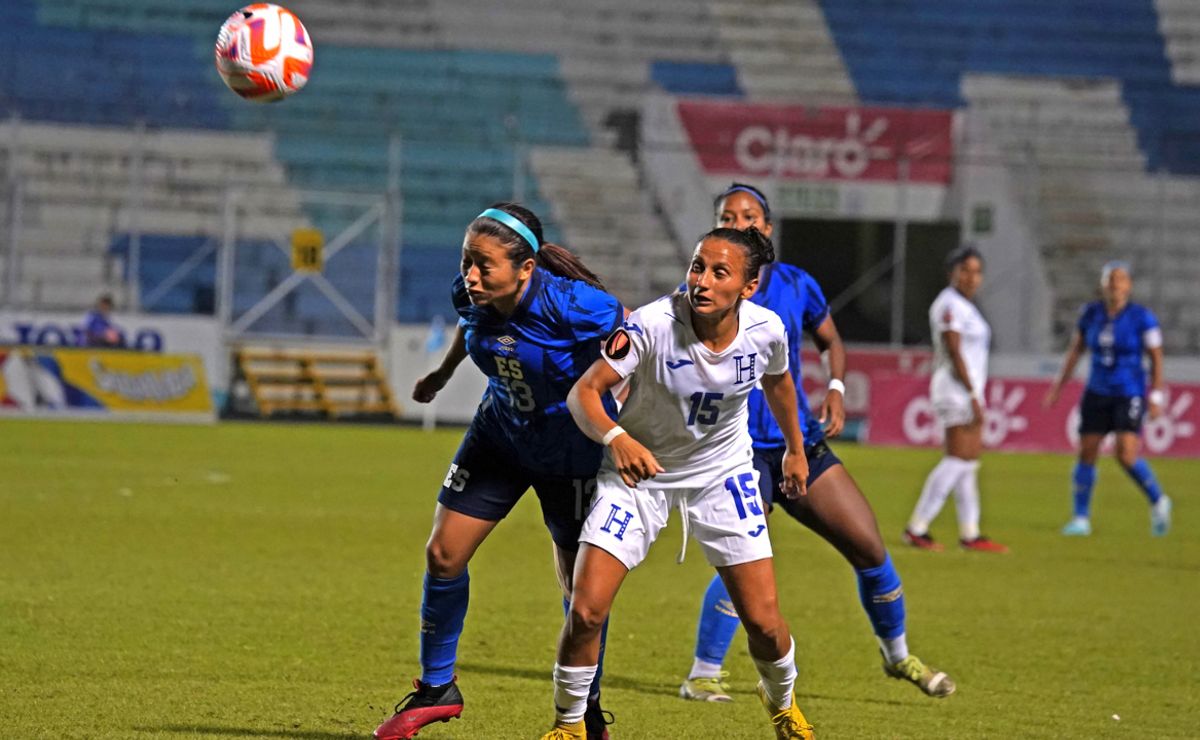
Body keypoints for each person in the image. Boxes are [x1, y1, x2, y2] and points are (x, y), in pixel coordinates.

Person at [679, 183, 954, 705]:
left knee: (870, 546)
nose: (741, 223)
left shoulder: (797, 285)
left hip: (797, 441)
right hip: (736, 450)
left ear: (768, 226)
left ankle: (897, 657)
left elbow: (830, 341)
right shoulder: (702, 288)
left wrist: (835, 387)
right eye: (728, 216)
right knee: (745, 558)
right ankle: (702, 673)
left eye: (750, 215)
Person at [543, 227, 815, 740]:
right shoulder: (650, 325)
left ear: (748, 287)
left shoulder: (767, 330)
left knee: (764, 622)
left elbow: (779, 381)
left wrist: (796, 450)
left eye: (719, 272)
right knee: (585, 608)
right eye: (697, 266)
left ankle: (782, 706)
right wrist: (618, 437)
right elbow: (585, 394)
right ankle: (569, 725)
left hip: (722, 474)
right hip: (639, 473)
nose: (702, 281)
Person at [373, 204, 622, 740]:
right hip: (500, 436)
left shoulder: (577, 306)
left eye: (484, 265)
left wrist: (625, 423)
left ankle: (586, 707)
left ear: (526, 268)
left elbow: (636, 347)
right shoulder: (471, 294)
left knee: (583, 596)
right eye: (467, 261)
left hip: (571, 452)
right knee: (442, 554)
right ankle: (438, 687)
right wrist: (439, 377)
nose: (470, 275)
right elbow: (470, 329)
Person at [1044, 261, 1172, 537]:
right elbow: (1076, 350)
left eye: (1120, 279)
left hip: (1129, 392)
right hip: (1097, 390)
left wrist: (1156, 394)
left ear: (1128, 286)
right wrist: (1058, 386)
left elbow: (1156, 357)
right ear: (1102, 285)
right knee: (1087, 451)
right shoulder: (1090, 314)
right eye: (1110, 279)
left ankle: (1158, 500)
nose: (1115, 284)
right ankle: (1081, 518)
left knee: (1125, 454)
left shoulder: (1142, 317)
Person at [903, 247, 1008, 553]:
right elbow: (954, 350)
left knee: (968, 463)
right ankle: (917, 527)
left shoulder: (966, 306)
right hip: (955, 390)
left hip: (968, 390)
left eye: (976, 271)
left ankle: (970, 533)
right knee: (957, 460)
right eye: (965, 270)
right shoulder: (949, 305)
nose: (971, 277)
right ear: (952, 273)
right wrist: (973, 394)